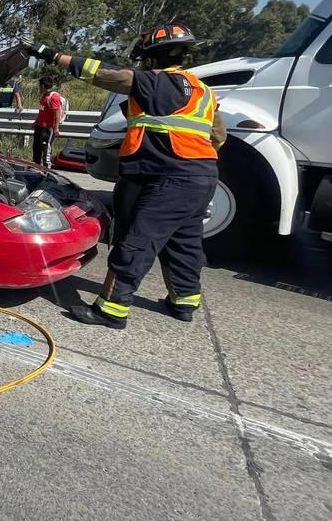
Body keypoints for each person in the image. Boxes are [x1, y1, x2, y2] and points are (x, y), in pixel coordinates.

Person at [24, 23, 225, 330]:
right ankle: (184, 302)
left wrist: (51, 55)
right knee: (184, 241)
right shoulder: (204, 92)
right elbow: (219, 137)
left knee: (137, 241)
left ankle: (112, 309)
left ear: (153, 57)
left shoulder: (149, 81)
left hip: (166, 177)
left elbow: (100, 72)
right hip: (203, 177)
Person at [32, 78, 63, 168]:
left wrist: (56, 128)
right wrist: (36, 121)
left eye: (39, 86)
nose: (39, 88)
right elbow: (42, 110)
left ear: (42, 86)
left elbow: (57, 113)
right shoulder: (45, 95)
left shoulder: (53, 97)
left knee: (46, 148)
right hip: (39, 126)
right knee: (36, 147)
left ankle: (47, 167)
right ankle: (36, 165)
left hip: (48, 128)